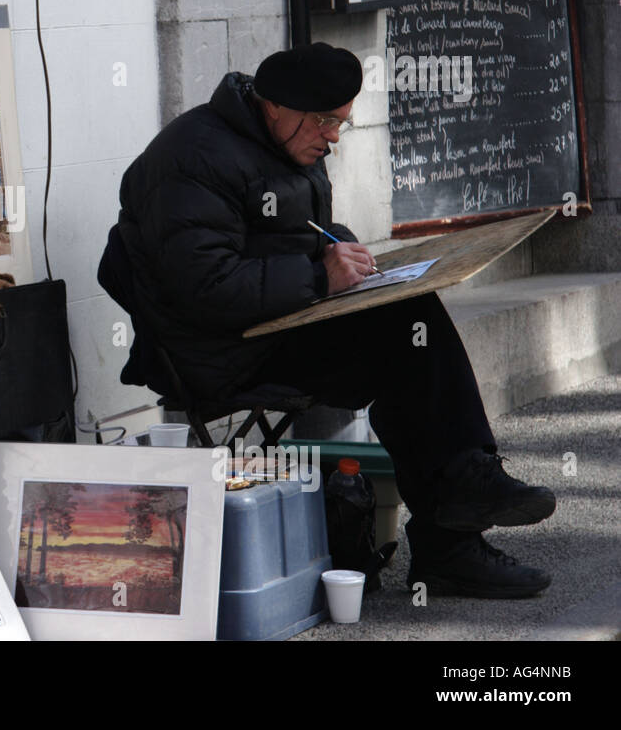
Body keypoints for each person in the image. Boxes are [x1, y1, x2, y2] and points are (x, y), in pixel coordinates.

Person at [99, 42, 556, 598]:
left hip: (273, 326)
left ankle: (459, 513)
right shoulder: (191, 159)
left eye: (342, 122)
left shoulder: (282, 145)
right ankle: (455, 523)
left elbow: (292, 236)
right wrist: (320, 279)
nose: (333, 137)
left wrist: (342, 251)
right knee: (405, 338)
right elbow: (205, 288)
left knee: (409, 320)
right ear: (275, 106)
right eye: (325, 122)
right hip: (220, 351)